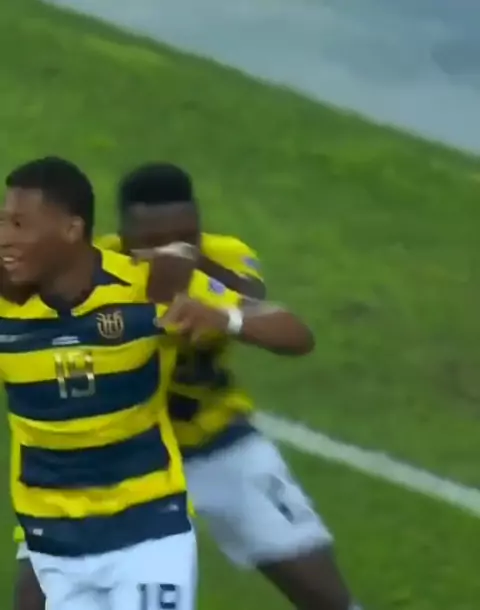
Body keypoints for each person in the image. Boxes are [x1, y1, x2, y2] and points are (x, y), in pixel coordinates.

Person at [3, 157, 315, 610]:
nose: (5, 237)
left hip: (163, 503)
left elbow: (291, 330)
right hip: (56, 526)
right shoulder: (15, 302)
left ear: (70, 229)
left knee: (316, 586)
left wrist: (224, 318)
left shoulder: (152, 287)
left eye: (19, 225)